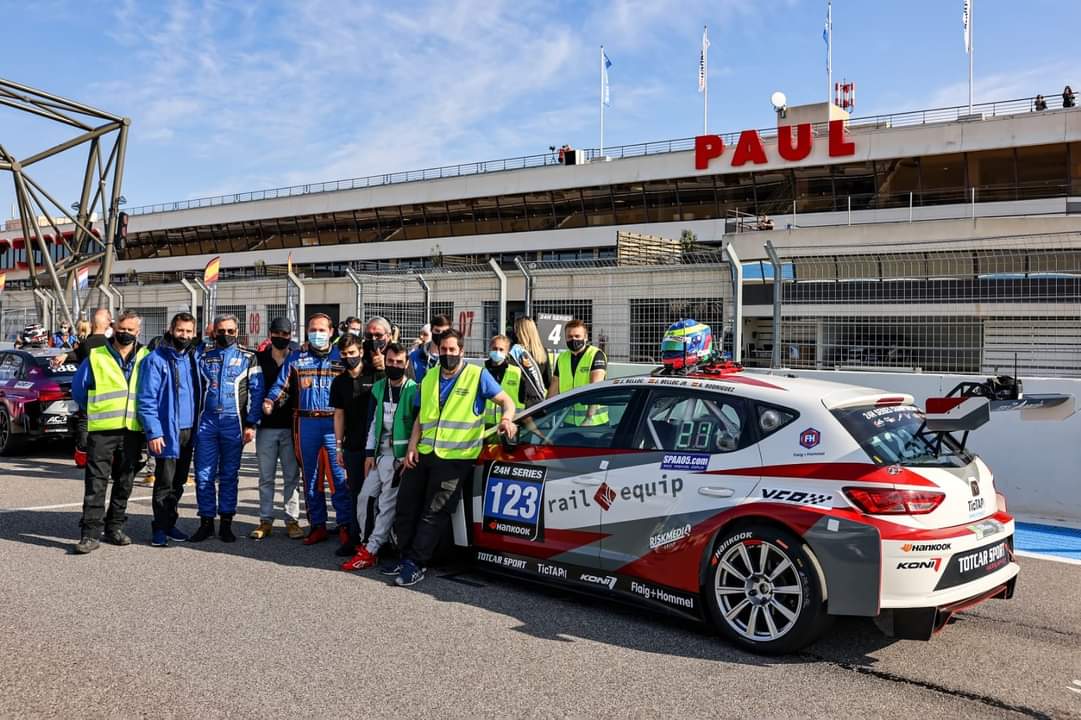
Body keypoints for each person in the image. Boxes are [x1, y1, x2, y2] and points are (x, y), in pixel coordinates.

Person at [387, 328, 518, 587]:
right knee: (405, 507)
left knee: (434, 512)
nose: (447, 354)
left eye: (452, 350)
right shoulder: (430, 376)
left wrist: (506, 420)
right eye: (443, 350)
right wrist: (412, 446)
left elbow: (507, 401)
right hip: (424, 453)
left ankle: (416, 563)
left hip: (456, 458)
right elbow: (420, 418)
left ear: (461, 351)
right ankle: (404, 557)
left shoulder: (477, 376)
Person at [264, 313, 350, 548]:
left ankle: (345, 526)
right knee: (311, 479)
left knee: (338, 478)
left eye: (322, 330)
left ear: (331, 332)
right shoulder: (297, 357)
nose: (317, 334)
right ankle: (318, 526)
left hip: (334, 424)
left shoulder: (342, 356)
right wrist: (270, 401)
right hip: (306, 424)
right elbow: (280, 385)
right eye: (313, 329)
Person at [71, 310, 149, 554]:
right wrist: (97, 410)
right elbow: (79, 391)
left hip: (133, 429)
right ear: (114, 328)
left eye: (130, 330)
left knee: (125, 481)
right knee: (96, 482)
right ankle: (90, 533)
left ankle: (114, 527)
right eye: (121, 329)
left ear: (139, 332)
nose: (125, 333)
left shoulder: (147, 357)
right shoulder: (97, 355)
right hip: (103, 429)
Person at [342, 342, 417, 571]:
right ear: (385, 361)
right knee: (365, 497)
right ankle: (367, 542)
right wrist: (368, 454)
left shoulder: (414, 389)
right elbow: (373, 423)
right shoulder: (378, 387)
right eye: (391, 361)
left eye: (399, 362)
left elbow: (417, 425)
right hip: (379, 455)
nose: (394, 365)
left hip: (398, 459)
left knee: (386, 504)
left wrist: (408, 455)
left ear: (406, 364)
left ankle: (372, 548)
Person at [189, 314, 263, 543]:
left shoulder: (248, 358)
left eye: (230, 331)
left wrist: (251, 423)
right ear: (213, 332)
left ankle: (227, 523)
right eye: (221, 331)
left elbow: (257, 392)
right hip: (207, 422)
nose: (226, 335)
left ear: (237, 332)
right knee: (203, 475)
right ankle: (206, 522)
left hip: (234, 423)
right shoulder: (203, 356)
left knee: (229, 475)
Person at [137, 312, 201, 547]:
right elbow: (146, 399)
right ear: (171, 330)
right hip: (166, 432)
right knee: (164, 482)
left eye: (188, 332)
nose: (183, 336)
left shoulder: (194, 358)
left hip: (189, 431)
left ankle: (170, 522)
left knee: (180, 482)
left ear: (194, 333)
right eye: (180, 331)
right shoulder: (155, 360)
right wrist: (154, 432)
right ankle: (160, 528)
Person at [330, 329, 382, 556]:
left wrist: (381, 368)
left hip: (376, 446)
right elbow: (338, 415)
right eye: (343, 353)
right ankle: (354, 537)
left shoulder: (376, 375)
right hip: (352, 446)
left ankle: (376, 540)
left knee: (376, 495)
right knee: (355, 493)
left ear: (361, 351)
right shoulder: (339, 382)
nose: (348, 357)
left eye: (352, 352)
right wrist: (338, 446)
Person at [250, 318, 303, 540]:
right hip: (266, 428)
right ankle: (265, 520)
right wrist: (251, 422)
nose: (282, 337)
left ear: (291, 335)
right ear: (270, 333)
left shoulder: (298, 357)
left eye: (286, 333)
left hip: (292, 428)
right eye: (277, 333)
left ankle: (292, 521)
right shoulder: (259, 358)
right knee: (266, 477)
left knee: (291, 477)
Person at [547, 319, 608, 425]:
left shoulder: (595, 354)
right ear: (565, 338)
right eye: (570, 336)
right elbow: (554, 389)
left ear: (586, 337)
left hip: (594, 424)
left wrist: (589, 417)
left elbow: (596, 387)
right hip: (568, 421)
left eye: (577, 336)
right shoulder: (562, 358)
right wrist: (545, 412)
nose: (573, 339)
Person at [483, 335, 525, 429]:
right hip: (484, 425)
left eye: (501, 349)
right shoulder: (481, 371)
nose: (497, 352)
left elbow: (525, 399)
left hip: (509, 425)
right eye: (495, 348)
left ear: (507, 352)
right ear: (490, 349)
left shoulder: (516, 372)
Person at [508, 316, 550, 408]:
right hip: (538, 400)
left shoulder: (515, 352)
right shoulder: (543, 351)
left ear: (519, 331)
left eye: (515, 329)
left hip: (520, 400)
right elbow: (548, 381)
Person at [407, 314, 450, 383]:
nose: (440, 334)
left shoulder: (452, 358)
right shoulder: (414, 356)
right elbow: (409, 384)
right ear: (431, 330)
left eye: (444, 332)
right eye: (437, 331)